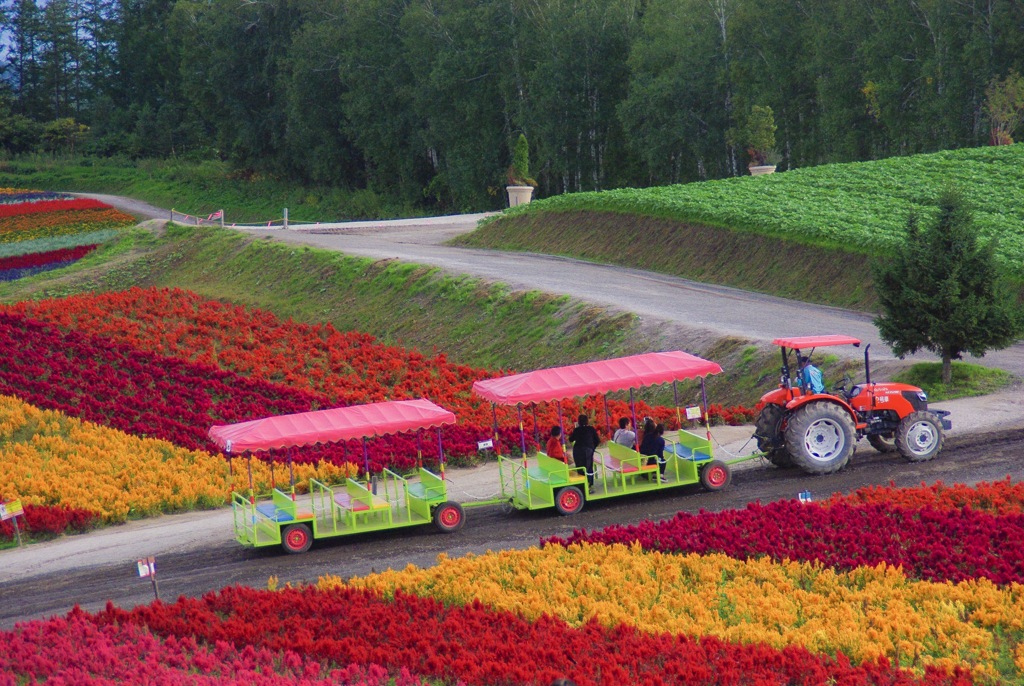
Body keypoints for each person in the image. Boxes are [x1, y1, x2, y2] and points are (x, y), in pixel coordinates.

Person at [568, 414, 599, 487]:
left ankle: (582, 484)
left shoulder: (576, 430)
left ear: (578, 422)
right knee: (588, 467)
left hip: (578, 450)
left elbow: (571, 439)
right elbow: (597, 440)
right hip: (588, 449)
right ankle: (589, 484)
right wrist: (592, 448)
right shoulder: (591, 429)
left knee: (579, 467)